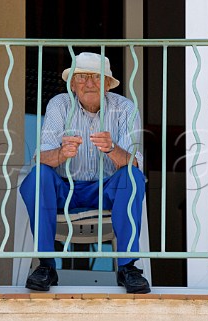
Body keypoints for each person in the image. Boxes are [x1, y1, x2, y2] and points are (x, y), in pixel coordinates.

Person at [20, 52, 150, 294]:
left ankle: (128, 268)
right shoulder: (59, 104)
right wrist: (61, 154)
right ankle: (46, 266)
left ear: (108, 84)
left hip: (106, 189)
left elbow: (134, 163)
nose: (89, 83)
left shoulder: (124, 108)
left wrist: (112, 149)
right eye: (82, 77)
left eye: (97, 77)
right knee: (38, 176)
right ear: (72, 84)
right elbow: (40, 158)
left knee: (132, 178)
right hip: (65, 188)